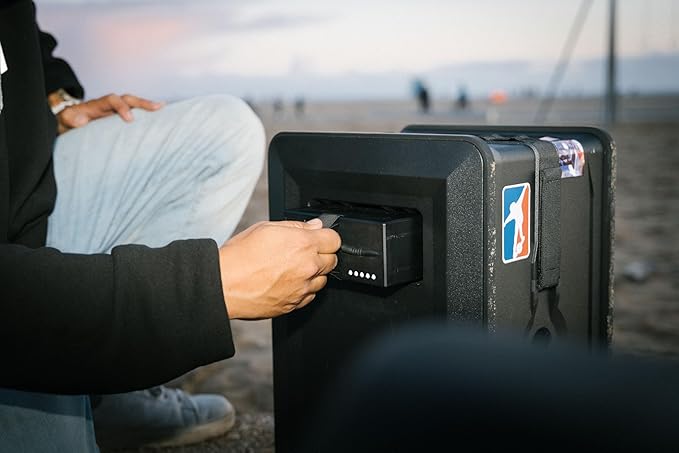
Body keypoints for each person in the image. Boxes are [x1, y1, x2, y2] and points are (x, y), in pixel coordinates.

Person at [0, 0, 341, 451]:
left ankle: (104, 395)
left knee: (226, 130)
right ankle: (84, 383)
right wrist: (211, 288)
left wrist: (53, 98)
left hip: (21, 192)